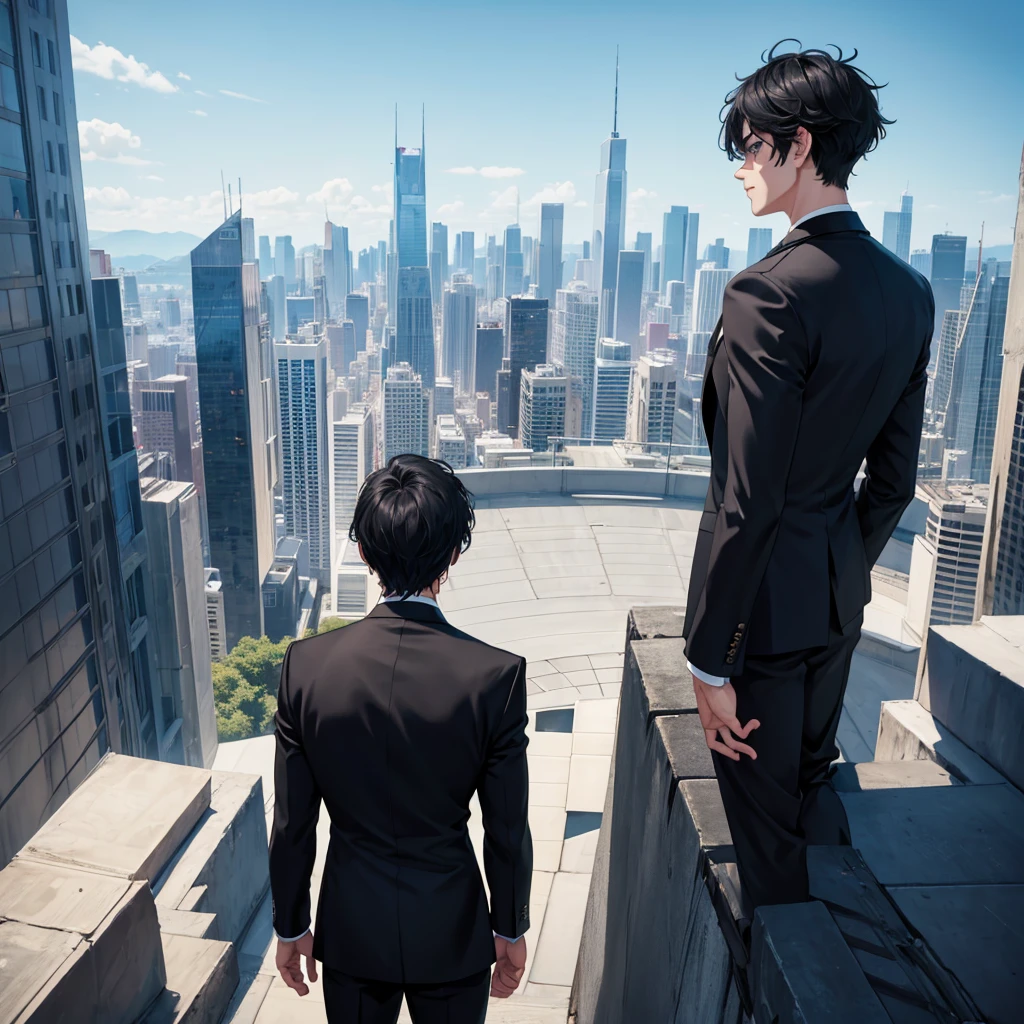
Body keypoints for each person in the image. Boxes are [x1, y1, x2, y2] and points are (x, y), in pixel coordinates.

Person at [682, 42, 934, 916]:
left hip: (759, 628)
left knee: (766, 855)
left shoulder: (769, 295)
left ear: (796, 147)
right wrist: (839, 571)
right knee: (810, 792)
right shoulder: (908, 294)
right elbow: (893, 483)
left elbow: (746, 500)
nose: (741, 168)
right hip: (834, 607)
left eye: (749, 147)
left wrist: (709, 661)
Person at [269, 454, 532, 1023]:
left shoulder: (306, 668)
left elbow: (293, 823)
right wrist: (509, 929)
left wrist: (292, 925)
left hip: (352, 933)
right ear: (453, 552)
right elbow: (506, 828)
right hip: (452, 933)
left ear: (364, 553)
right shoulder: (497, 678)